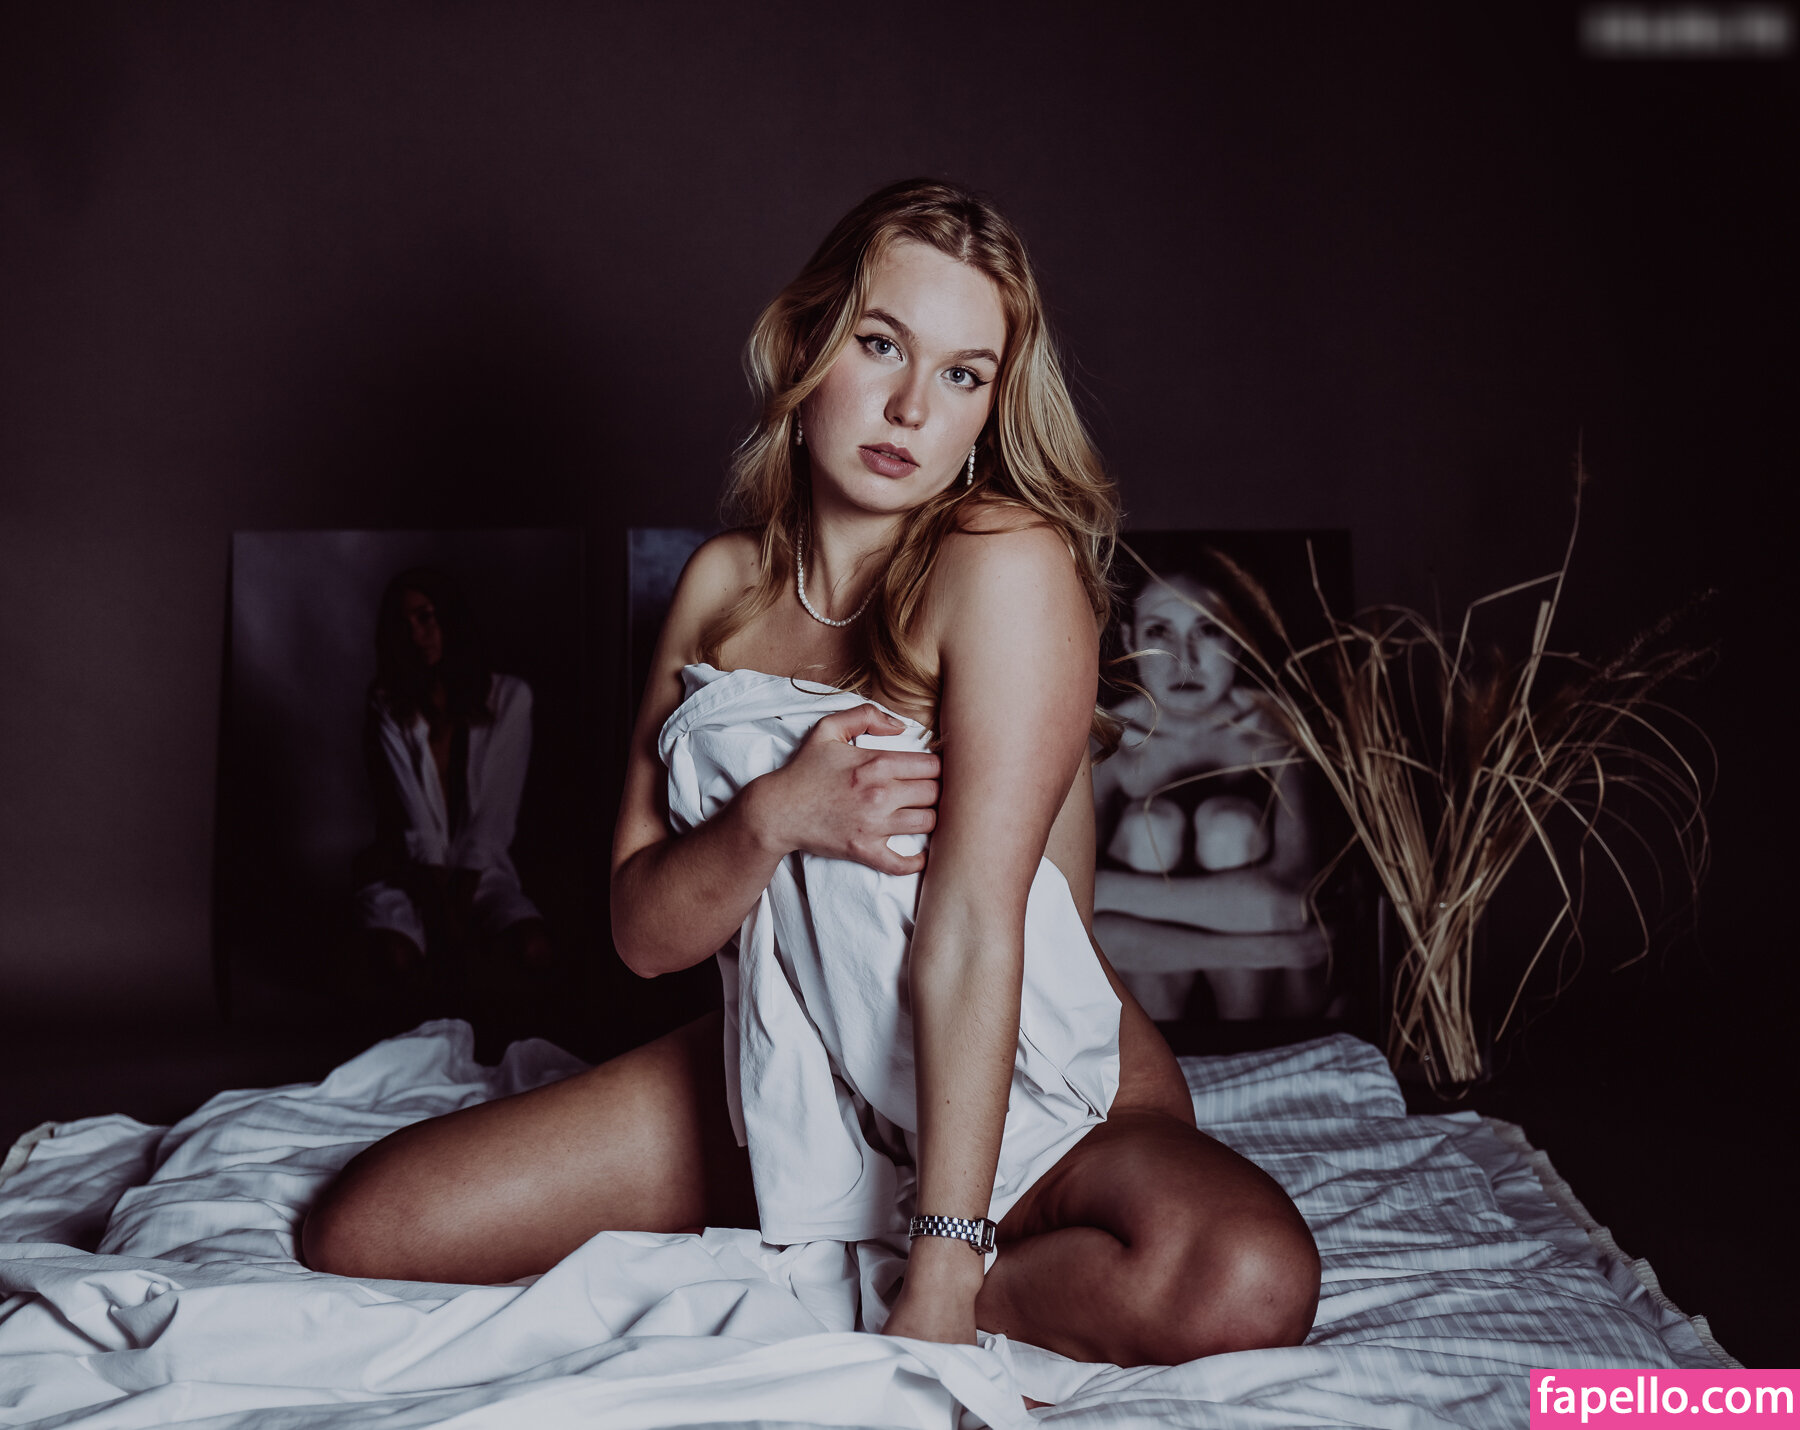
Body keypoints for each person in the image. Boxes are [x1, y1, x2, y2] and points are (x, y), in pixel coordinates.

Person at [303, 180, 1319, 1367]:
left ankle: (933, 1264)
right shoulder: (720, 586)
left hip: (1026, 1090)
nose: (909, 406)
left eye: (962, 374)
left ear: (991, 409)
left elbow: (974, 926)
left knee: (1245, 1273)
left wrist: (944, 1269)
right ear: (804, 344)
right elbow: (641, 934)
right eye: (881, 343)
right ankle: (837, 1213)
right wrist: (774, 815)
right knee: (365, 1225)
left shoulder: (1002, 561)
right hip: (791, 1073)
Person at [1091, 558, 1329, 1021]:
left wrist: (1109, 895)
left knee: (1228, 826)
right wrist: (1247, 948)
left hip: (1275, 1002)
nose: (1184, 660)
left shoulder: (1280, 732)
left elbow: (1290, 907)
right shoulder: (1109, 740)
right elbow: (1073, 918)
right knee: (1150, 826)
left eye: (1209, 630)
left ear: (1237, 639)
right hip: (1152, 997)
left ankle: (1244, 1040)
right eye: (1159, 632)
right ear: (1131, 640)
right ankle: (1161, 1047)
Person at [351, 568, 552, 975]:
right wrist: (442, 918)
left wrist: (456, 915)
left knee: (533, 949)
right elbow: (416, 824)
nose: (416, 635)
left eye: (425, 617)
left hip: (482, 872)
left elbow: (493, 820)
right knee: (394, 958)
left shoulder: (510, 698)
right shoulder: (388, 705)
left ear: (448, 617)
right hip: (406, 871)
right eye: (403, 625)